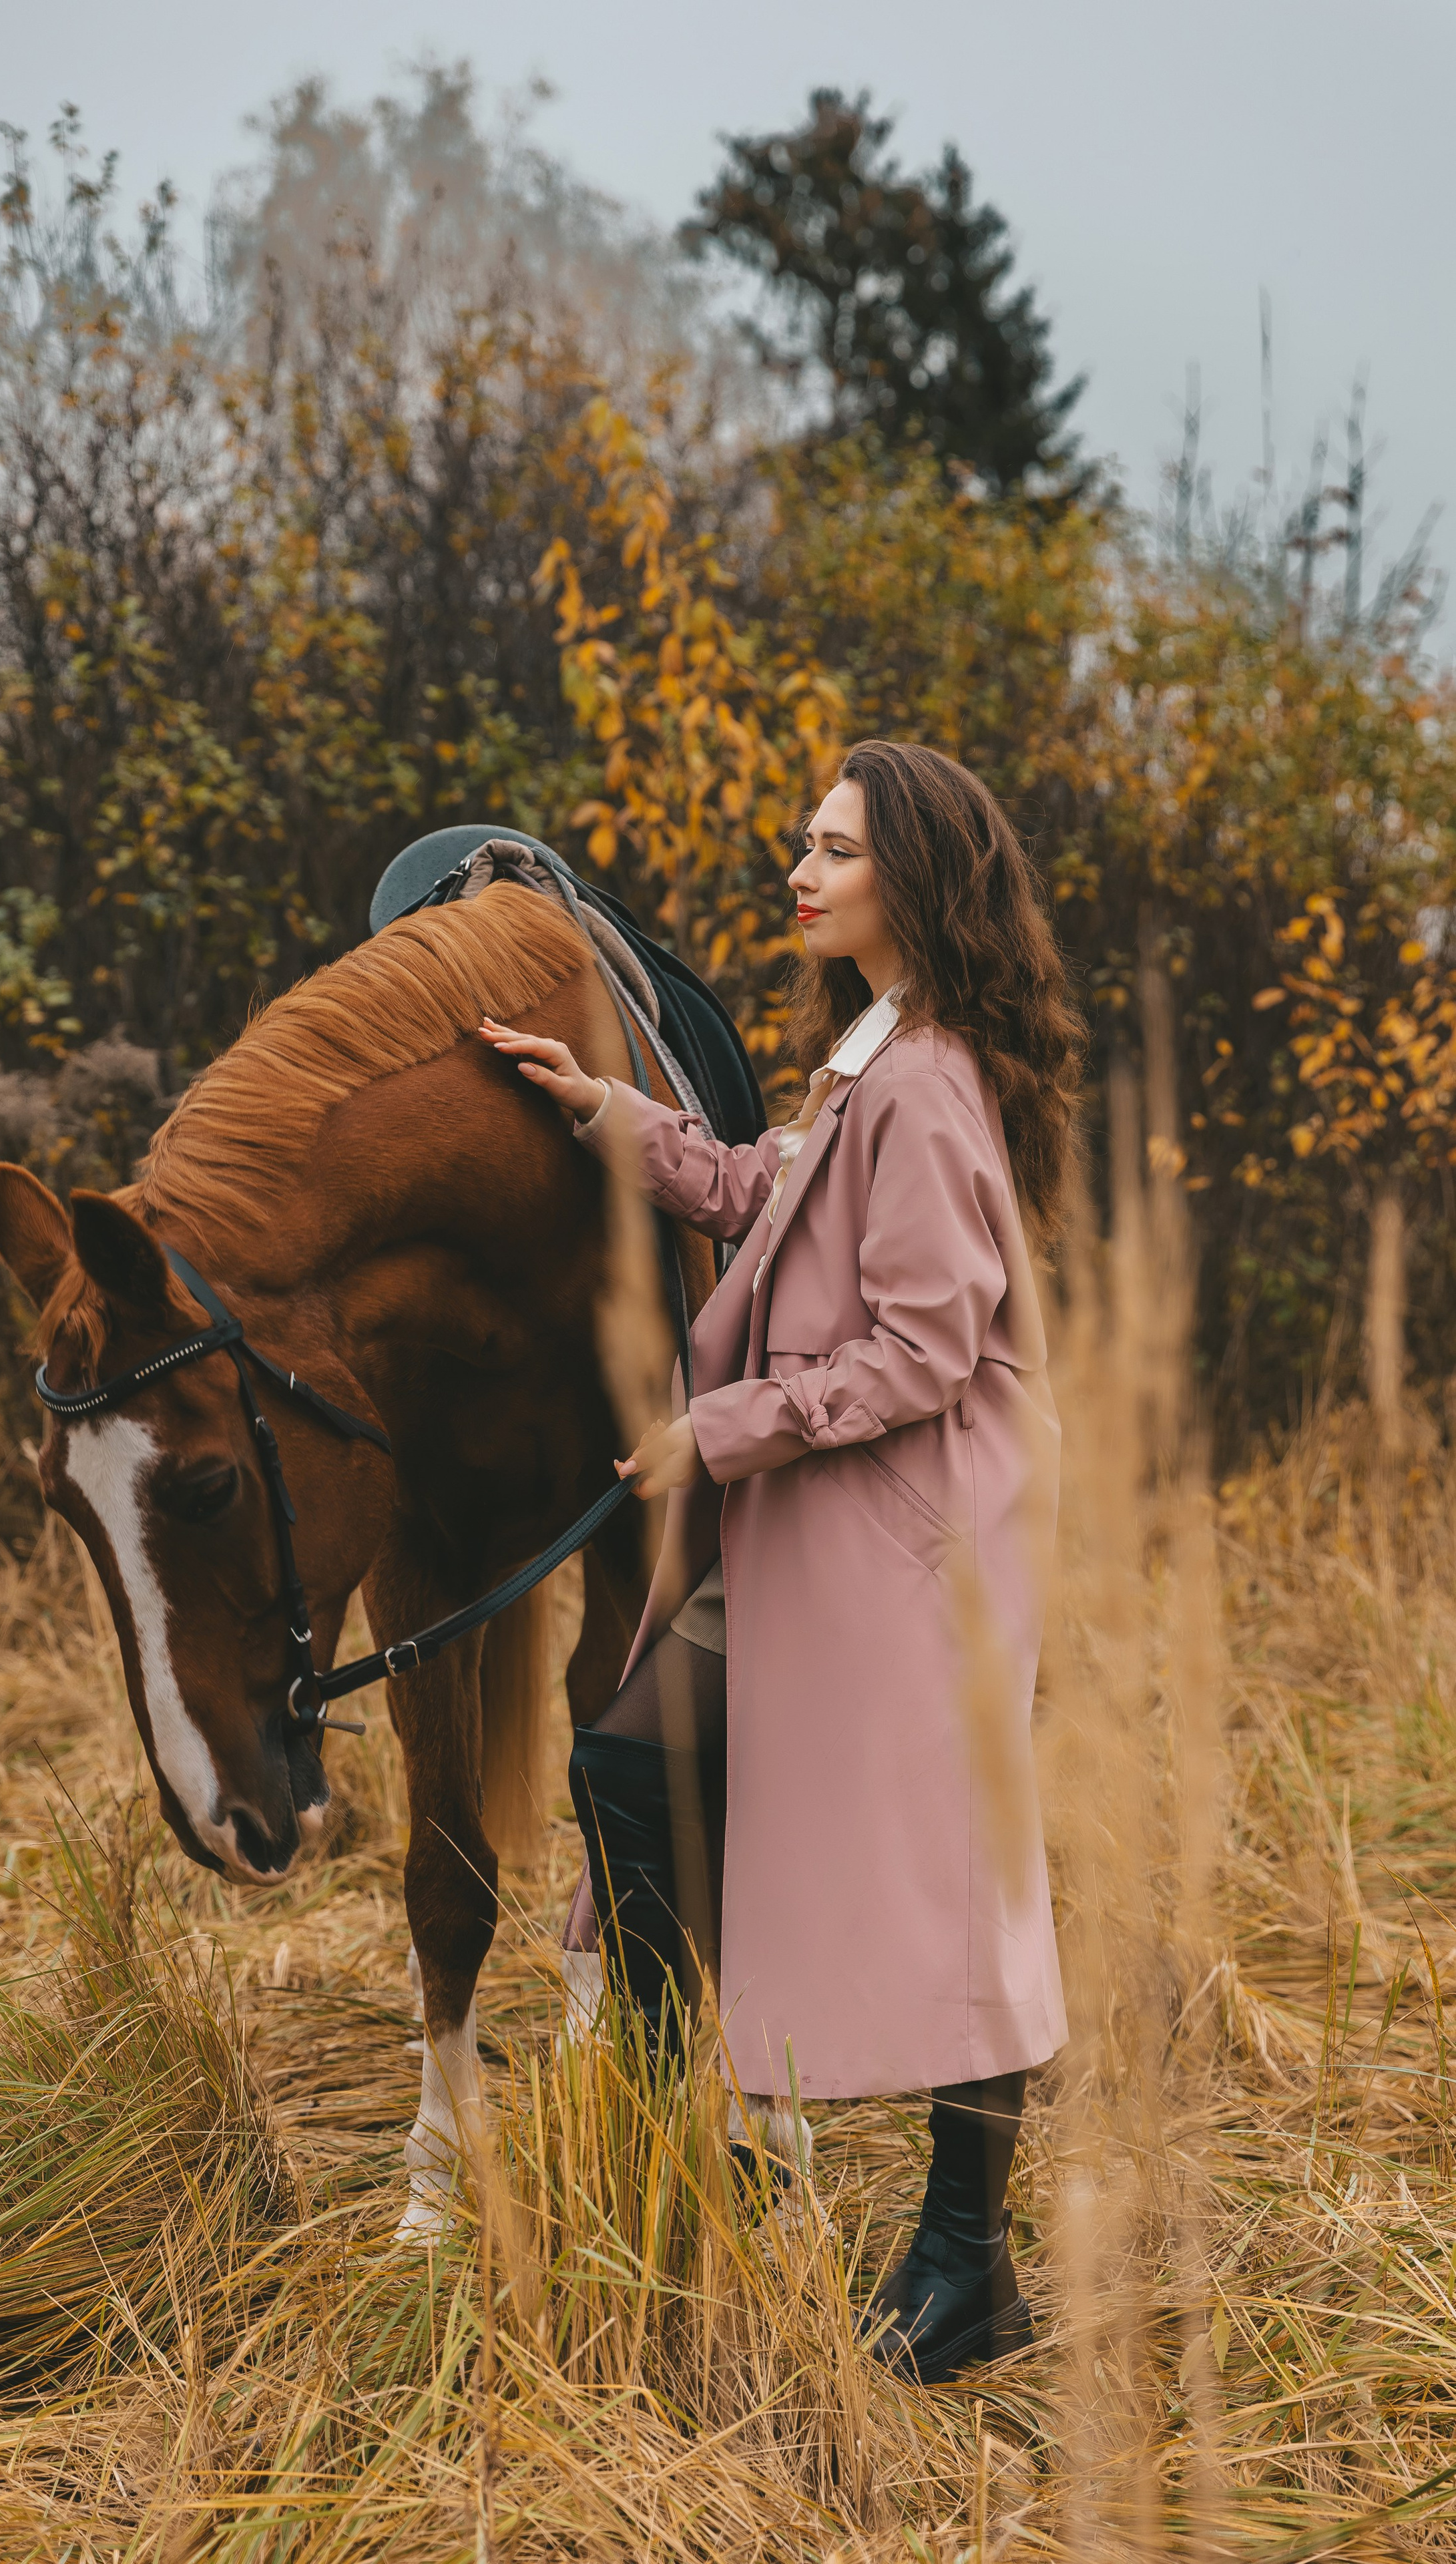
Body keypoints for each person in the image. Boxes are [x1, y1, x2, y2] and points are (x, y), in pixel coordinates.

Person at [479, 739, 1083, 2384]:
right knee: (626, 1766)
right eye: (801, 844)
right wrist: (603, 1107)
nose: (799, 874)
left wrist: (718, 1428)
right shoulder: (866, 1059)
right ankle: (705, 2143)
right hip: (820, 1522)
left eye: (834, 852)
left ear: (916, 880)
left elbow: (925, 1348)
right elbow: (761, 1197)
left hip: (906, 1537)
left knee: (958, 1886)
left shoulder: (927, 1081)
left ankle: (964, 2267)